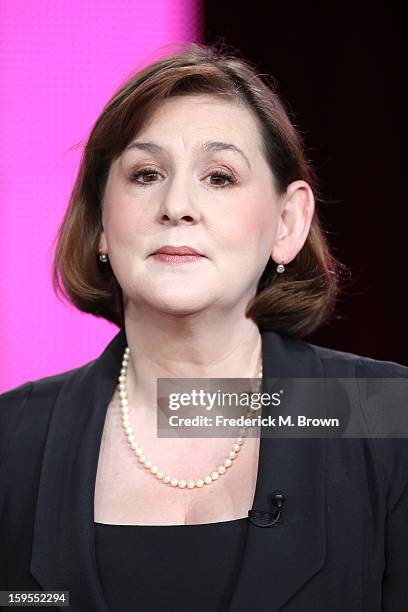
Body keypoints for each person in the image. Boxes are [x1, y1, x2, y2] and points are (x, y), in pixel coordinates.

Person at [1, 42, 407, 612]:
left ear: (287, 224)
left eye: (219, 177)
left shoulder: (384, 415)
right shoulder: (12, 439)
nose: (177, 205)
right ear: (99, 222)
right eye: (146, 174)